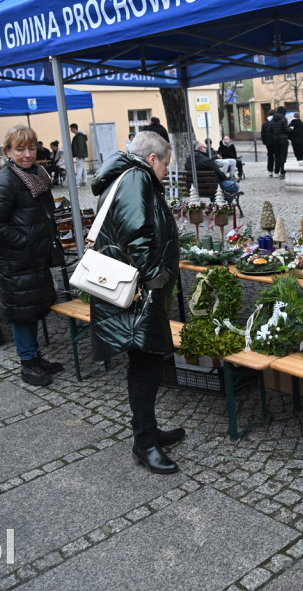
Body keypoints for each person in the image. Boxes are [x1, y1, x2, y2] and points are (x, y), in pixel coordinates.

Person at [90, 131, 183, 474]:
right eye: (166, 165)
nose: (165, 173)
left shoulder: (129, 175)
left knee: (145, 362)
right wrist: (156, 275)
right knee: (146, 365)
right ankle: (144, 442)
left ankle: (148, 429)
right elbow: (136, 233)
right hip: (137, 291)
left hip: (133, 291)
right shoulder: (135, 178)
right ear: (154, 159)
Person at [0, 126, 63, 387]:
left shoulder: (36, 174)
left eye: (31, 148)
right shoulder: (5, 180)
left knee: (33, 308)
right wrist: (24, 241)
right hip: (17, 260)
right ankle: (28, 364)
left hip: (33, 258)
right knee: (22, 313)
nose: (27, 154)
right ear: (7, 152)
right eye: (20, 149)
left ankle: (36, 358)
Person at [271, 106, 292, 179]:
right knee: (283, 156)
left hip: (275, 139)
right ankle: (282, 172)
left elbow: (271, 129)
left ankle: (276, 172)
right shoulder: (284, 119)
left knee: (277, 156)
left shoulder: (273, 119)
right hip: (283, 139)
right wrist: (290, 129)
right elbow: (286, 129)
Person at [260, 112, 275, 177]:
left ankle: (270, 171)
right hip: (275, 141)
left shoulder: (264, 123)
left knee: (270, 155)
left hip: (268, 142)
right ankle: (277, 171)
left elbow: (262, 134)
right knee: (277, 155)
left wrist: (264, 142)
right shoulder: (275, 122)